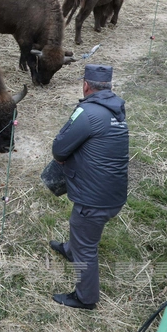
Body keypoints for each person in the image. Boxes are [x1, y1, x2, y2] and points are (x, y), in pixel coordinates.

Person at [49, 64, 129, 310]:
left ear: (85, 85)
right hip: (113, 194)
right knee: (81, 227)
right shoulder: (115, 110)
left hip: (94, 200)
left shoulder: (86, 112)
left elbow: (60, 148)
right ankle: (70, 249)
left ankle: (85, 298)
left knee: (86, 245)